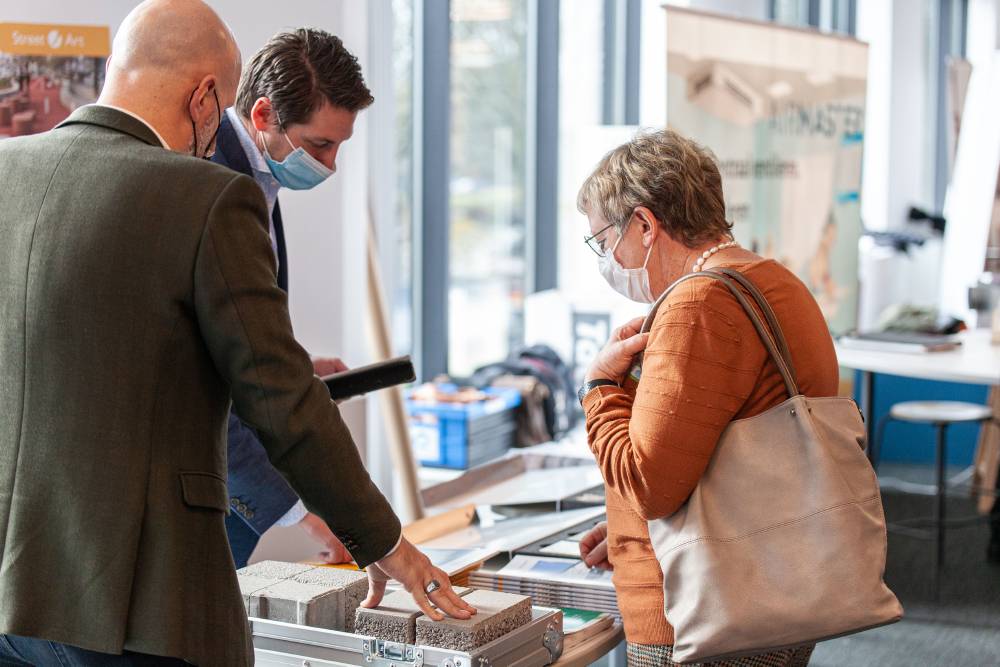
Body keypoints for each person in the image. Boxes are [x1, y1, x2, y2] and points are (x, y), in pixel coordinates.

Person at [0, 1, 473, 665]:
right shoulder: (205, 194)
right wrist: (381, 541)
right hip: (132, 606)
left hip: (14, 593)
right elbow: (281, 401)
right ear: (206, 96)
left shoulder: (7, 170)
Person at [575, 129, 838, 667]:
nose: (605, 258)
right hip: (772, 582)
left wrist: (600, 385)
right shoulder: (770, 281)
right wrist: (631, 531)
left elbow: (649, 486)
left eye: (603, 241)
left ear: (645, 225)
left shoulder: (699, 304)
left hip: (702, 616)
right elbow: (727, 452)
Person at [212, 28, 373, 569]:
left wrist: (292, 365)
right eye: (320, 144)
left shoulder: (257, 177)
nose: (329, 166)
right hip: (206, 480)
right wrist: (298, 512)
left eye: (339, 146)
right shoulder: (212, 186)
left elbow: (230, 330)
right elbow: (200, 373)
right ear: (263, 116)